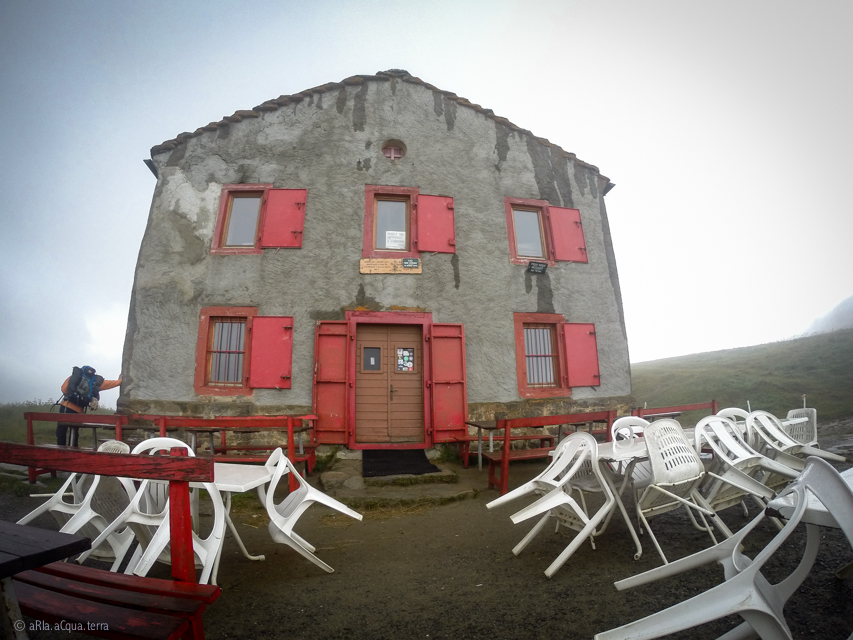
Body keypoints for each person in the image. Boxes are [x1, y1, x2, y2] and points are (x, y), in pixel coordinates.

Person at [57, 366, 122, 447]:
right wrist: (119, 381)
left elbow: (64, 389)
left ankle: (60, 449)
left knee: (61, 430)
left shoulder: (75, 377)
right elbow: (108, 384)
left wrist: (74, 396)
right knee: (74, 431)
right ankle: (73, 449)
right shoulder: (93, 381)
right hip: (79, 410)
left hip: (66, 406)